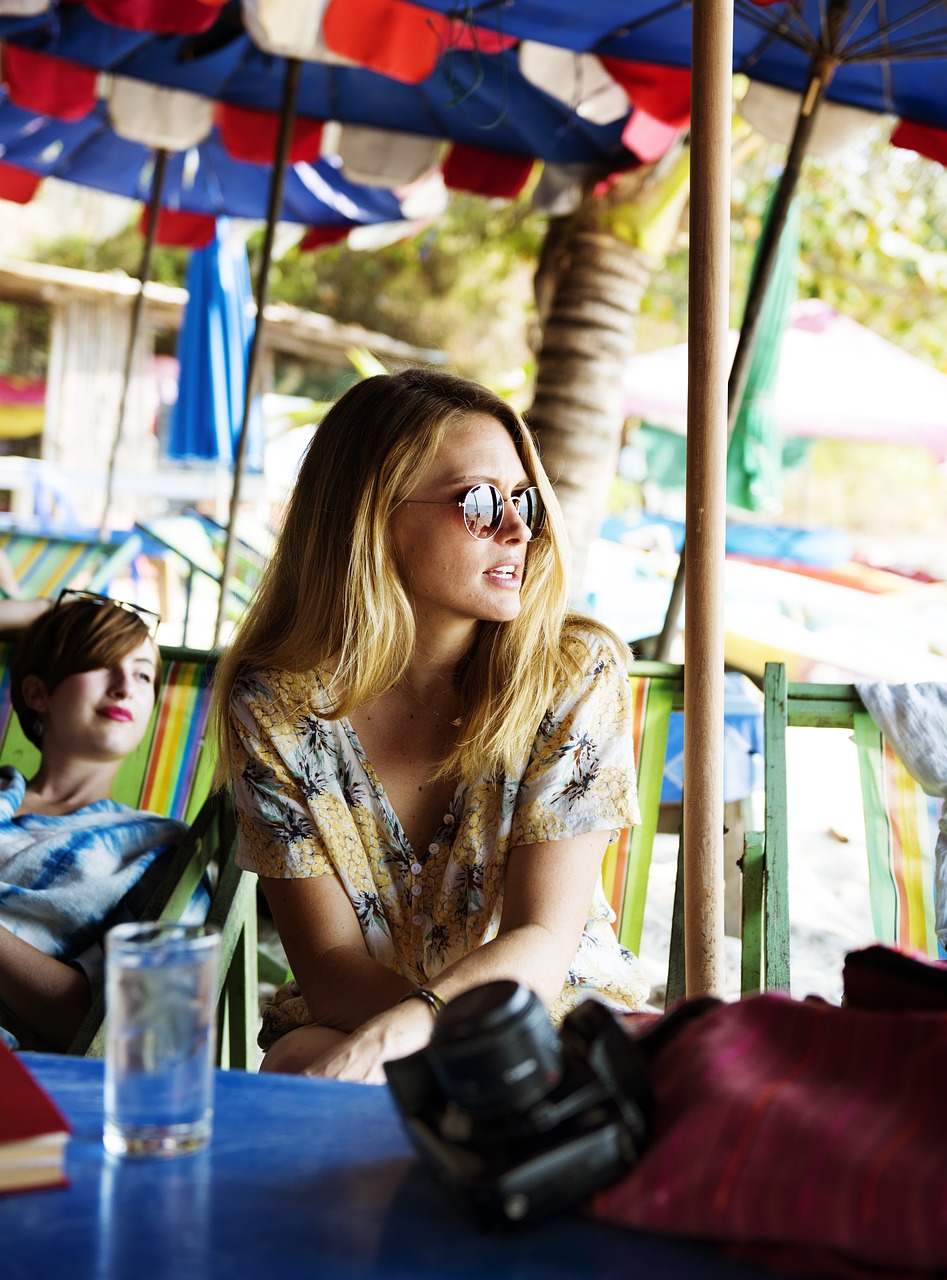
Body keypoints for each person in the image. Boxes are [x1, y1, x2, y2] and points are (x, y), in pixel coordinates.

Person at [213, 367, 649, 1084]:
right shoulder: (276, 705)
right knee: (299, 1060)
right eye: (479, 502)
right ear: (371, 518)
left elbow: (542, 935)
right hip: (360, 1009)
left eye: (523, 499)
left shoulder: (570, 674)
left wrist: (411, 1037)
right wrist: (407, 1041)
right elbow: (327, 964)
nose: (517, 529)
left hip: (546, 1012)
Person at [0, 591, 191, 1051]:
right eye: (102, 662)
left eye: (143, 674)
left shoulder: (160, 848)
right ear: (37, 693)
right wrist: (37, 609)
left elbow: (122, 1029)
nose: (125, 686)